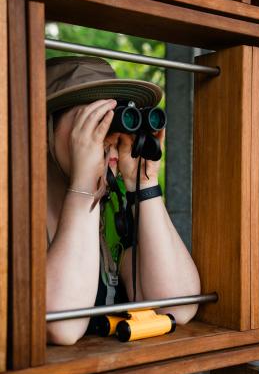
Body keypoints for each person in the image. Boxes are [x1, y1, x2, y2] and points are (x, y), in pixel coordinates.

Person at [46, 56, 201, 346]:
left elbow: (178, 307)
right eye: (92, 119)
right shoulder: (13, 217)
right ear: (44, 131)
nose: (110, 135)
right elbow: (61, 327)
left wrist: (142, 183)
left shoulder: (113, 214)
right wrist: (84, 185)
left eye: (114, 118)